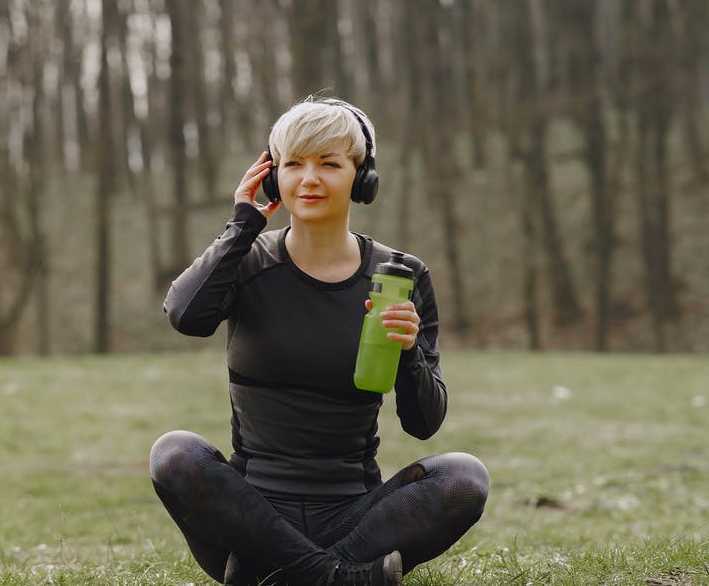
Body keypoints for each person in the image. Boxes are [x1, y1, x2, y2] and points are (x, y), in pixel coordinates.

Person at [149, 97, 489, 586]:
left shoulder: (401, 276)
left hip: (355, 514)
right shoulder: (244, 263)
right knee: (173, 453)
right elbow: (185, 315)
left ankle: (275, 576)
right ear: (272, 176)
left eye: (329, 164)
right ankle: (339, 578)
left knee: (464, 478)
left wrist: (410, 353)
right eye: (293, 164)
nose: (309, 179)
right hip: (249, 515)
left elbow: (423, 423)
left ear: (361, 177)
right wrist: (242, 225)